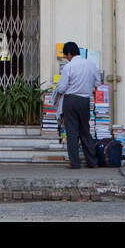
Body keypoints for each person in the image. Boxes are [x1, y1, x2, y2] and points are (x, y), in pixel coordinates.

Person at [53, 41, 100, 169]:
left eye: (66, 55)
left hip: (71, 101)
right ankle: (92, 162)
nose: (66, 58)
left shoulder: (69, 66)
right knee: (85, 131)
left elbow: (62, 88)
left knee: (72, 132)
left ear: (69, 54)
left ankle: (75, 163)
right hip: (85, 101)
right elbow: (98, 82)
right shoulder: (91, 64)